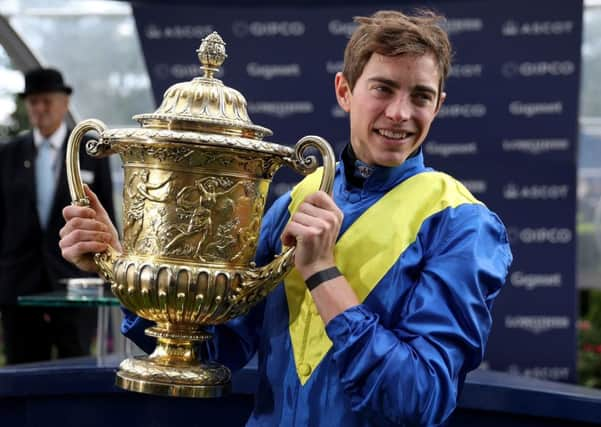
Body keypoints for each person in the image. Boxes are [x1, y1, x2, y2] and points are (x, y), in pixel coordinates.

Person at [59, 10, 512, 426]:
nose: (400, 113)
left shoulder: (462, 224)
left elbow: (419, 400)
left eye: (420, 96)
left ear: (438, 105)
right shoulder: (293, 203)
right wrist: (123, 266)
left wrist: (323, 274)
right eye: (383, 88)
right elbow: (212, 347)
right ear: (344, 91)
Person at [0, 67, 115, 364]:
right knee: (21, 375)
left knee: (76, 370)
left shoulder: (90, 154)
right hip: (19, 287)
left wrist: (107, 273)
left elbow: (107, 219)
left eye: (47, 100)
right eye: (33, 101)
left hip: (76, 284)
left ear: (64, 103)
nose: (40, 108)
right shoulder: (9, 154)